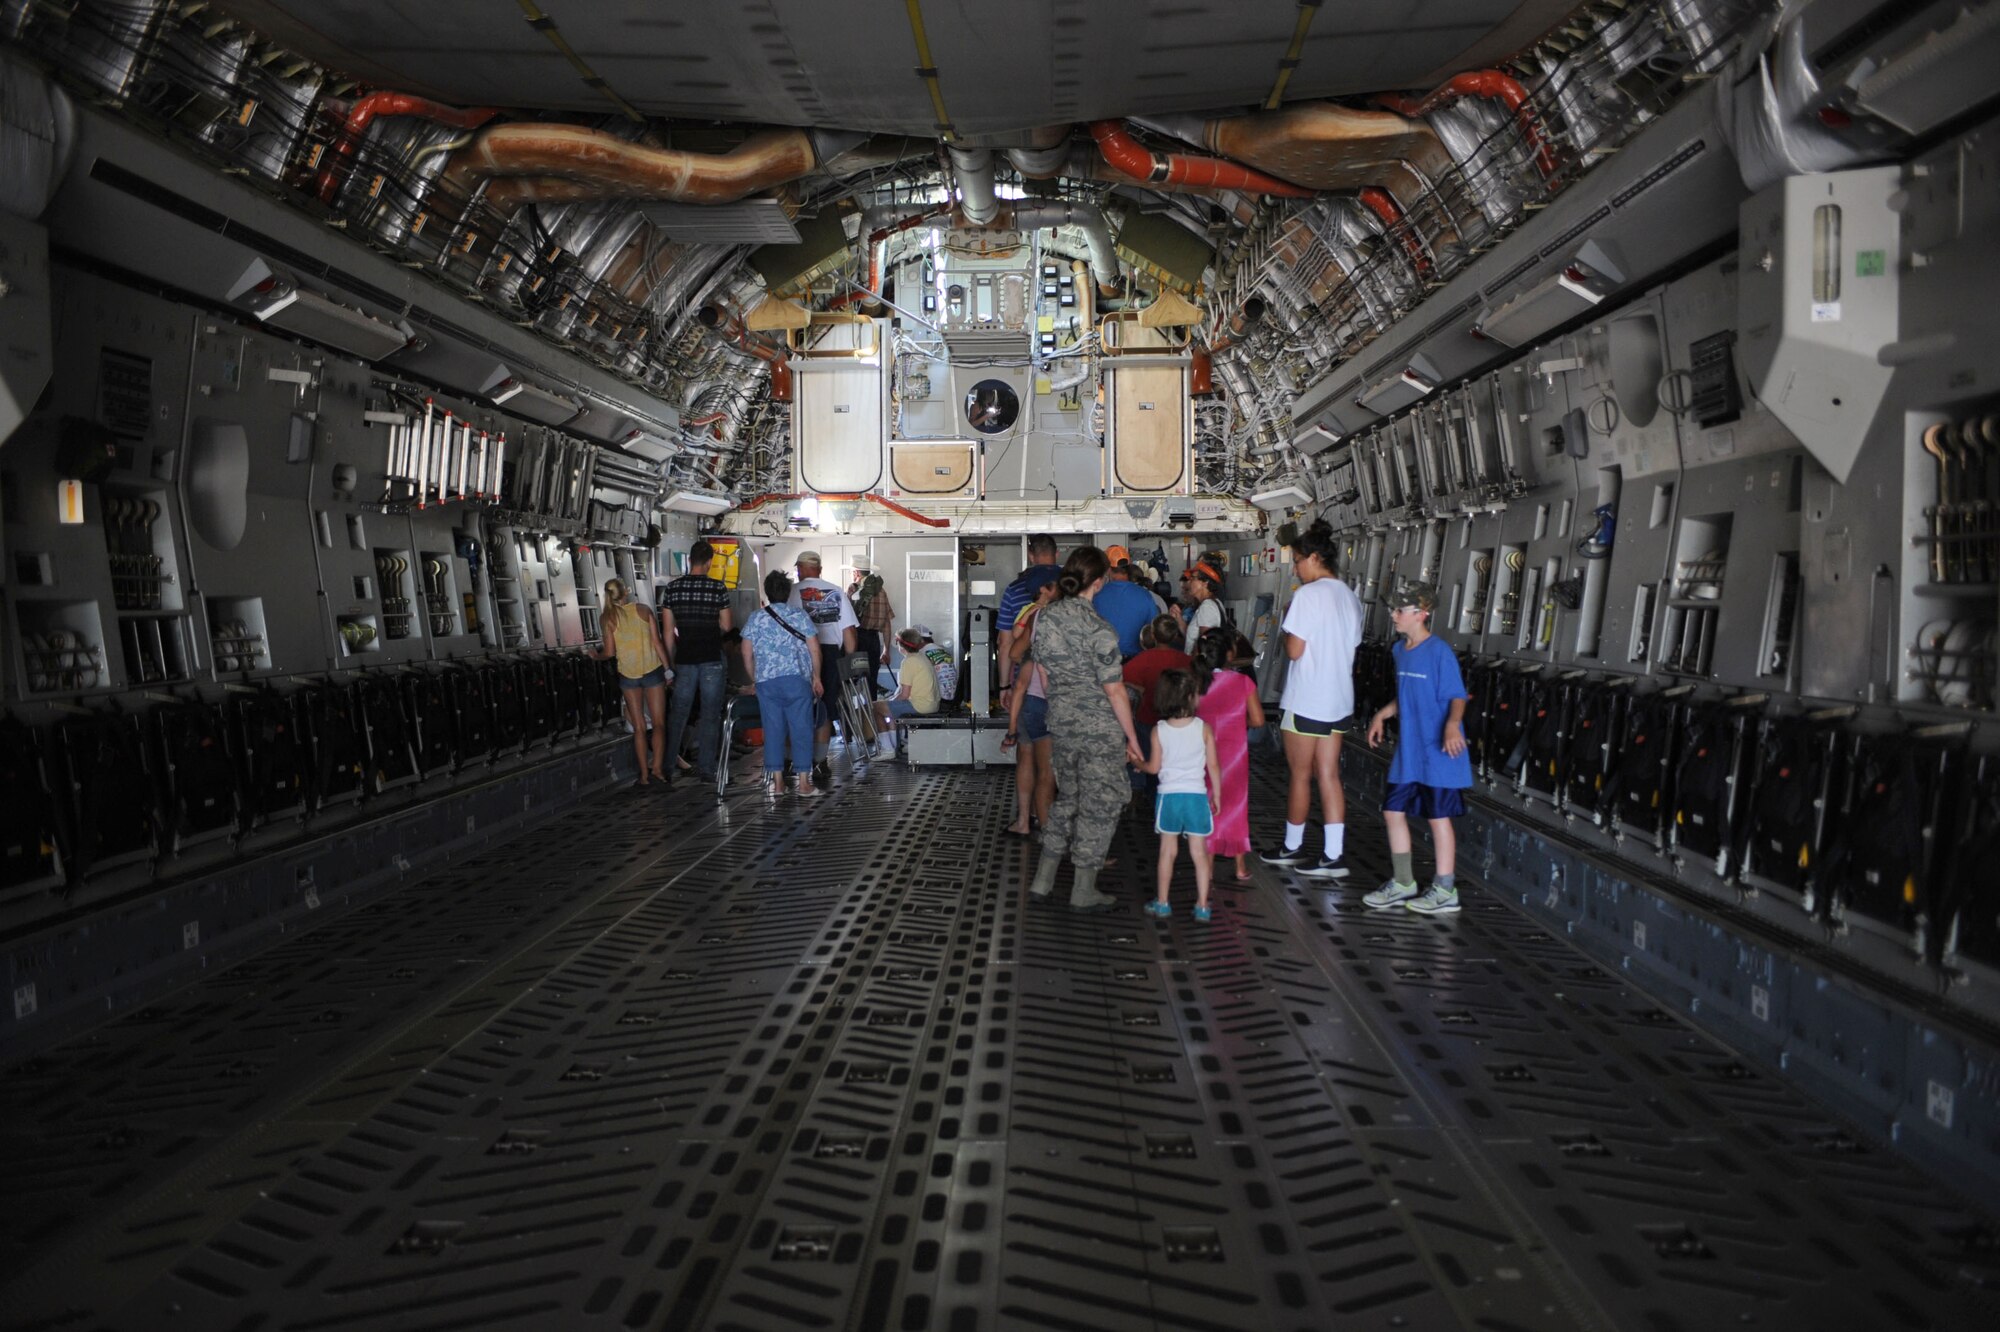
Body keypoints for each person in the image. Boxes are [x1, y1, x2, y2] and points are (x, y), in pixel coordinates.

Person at [1025, 546, 1145, 912]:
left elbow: (1043, 677)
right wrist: (1132, 738)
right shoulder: (1099, 629)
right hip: (1099, 728)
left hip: (1060, 721)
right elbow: (1114, 690)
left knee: (1069, 798)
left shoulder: (1044, 618)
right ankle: (1083, 888)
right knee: (1102, 802)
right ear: (1100, 581)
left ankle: (1043, 880)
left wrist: (1065, 705)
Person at [1262, 519, 1364, 878]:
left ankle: (1291, 846)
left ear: (1315, 558)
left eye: (1298, 561)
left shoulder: (1306, 596)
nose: (1295, 567)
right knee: (1329, 775)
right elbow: (1350, 646)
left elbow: (1294, 650)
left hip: (1307, 700)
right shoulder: (1350, 596)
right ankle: (1333, 855)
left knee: (1300, 776)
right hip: (1339, 701)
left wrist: (1289, 618)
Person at [1363, 583, 1470, 914]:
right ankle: (1404, 881)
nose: (1394, 616)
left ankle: (1445, 888)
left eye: (1400, 610)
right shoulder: (1400, 650)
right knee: (1393, 811)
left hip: (1438, 752)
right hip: (1410, 751)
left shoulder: (1439, 652)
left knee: (1438, 818)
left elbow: (1457, 696)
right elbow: (1408, 695)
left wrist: (1452, 725)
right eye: (1393, 610)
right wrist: (1383, 713)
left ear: (1421, 614)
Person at [1141, 668, 1222, 923]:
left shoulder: (1159, 730)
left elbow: (1154, 768)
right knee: (1199, 853)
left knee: (1167, 852)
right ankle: (1202, 905)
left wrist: (1137, 762)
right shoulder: (1203, 728)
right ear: (1190, 697)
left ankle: (1163, 903)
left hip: (1169, 798)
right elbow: (1214, 765)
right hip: (1196, 797)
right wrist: (1216, 795)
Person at [743, 568, 824, 798]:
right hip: (797, 681)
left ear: (767, 593)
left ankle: (778, 784)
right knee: (801, 729)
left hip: (767, 683)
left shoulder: (756, 618)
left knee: (773, 730)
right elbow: (815, 649)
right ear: (788, 593)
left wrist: (754, 678)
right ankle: (804, 783)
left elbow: (746, 652)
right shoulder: (799, 616)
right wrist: (816, 677)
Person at [658, 539, 733, 785]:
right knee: (710, 714)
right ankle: (707, 770)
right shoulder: (718, 588)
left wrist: (669, 667)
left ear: (689, 560)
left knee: (678, 713)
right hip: (711, 656)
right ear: (710, 562)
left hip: (685, 660)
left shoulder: (672, 589)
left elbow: (668, 634)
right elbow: (726, 625)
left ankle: (667, 767)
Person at [1195, 631, 1264, 883]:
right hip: (1234, 752)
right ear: (1230, 655)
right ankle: (1240, 866)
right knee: (1235, 805)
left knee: (1208, 802)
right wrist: (1234, 720)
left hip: (1201, 751)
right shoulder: (1243, 683)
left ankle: (1207, 864)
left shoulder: (1196, 682)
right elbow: (1257, 720)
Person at [592, 577, 671, 786]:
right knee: (659, 724)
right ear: (625, 592)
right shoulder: (644, 610)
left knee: (639, 729)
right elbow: (657, 642)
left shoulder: (607, 618)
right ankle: (658, 771)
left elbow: (609, 653)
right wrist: (668, 670)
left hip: (628, 676)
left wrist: (595, 655)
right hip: (652, 672)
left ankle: (644, 776)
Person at [788, 550, 857, 788]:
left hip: (798, 654)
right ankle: (819, 761)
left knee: (796, 707)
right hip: (828, 654)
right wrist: (847, 660)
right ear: (819, 569)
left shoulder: (791, 593)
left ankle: (793, 760)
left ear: (800, 569)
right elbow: (848, 633)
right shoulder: (837, 591)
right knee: (825, 709)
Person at [999, 581, 1058, 835]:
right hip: (1051, 701)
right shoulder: (1060, 616)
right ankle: (1048, 827)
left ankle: (1025, 819)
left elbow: (1010, 649)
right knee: (1049, 770)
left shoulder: (1029, 614)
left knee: (1026, 757)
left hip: (1026, 696)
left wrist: (1004, 688)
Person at [996, 534, 1060, 701]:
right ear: (1057, 554)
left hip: (1026, 683)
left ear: (1031, 556)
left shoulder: (1014, 589)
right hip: (1067, 681)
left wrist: (1004, 686)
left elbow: (1005, 643)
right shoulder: (1073, 586)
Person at [871, 625, 938, 757]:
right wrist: (890, 703)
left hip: (919, 705)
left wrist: (888, 704)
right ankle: (900, 743)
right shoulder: (921, 657)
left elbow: (904, 694)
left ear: (901, 645)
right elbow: (902, 691)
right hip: (931, 703)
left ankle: (888, 749)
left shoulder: (909, 662)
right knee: (889, 707)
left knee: (874, 707)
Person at [1094, 547, 1157, 658]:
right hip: (1136, 661)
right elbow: (1154, 629)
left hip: (1105, 661)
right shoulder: (1145, 595)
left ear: (1108, 569)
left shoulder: (1097, 595)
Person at [848, 556, 893, 695]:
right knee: (871, 680)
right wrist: (886, 650)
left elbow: (847, 620)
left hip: (856, 639)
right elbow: (886, 623)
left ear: (856, 573)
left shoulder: (853, 588)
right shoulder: (881, 591)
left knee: (853, 679)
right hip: (873, 641)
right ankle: (871, 711)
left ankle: (856, 713)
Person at [1181, 560, 1227, 655]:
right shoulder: (1213, 602)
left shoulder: (1207, 607)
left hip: (1201, 667)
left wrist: (1196, 666)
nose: (1189, 582)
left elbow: (1205, 646)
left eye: (1193, 578)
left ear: (1205, 583)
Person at [915, 625, 958, 703]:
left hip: (936, 699)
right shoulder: (942, 650)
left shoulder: (921, 653)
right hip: (951, 697)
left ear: (921, 640)